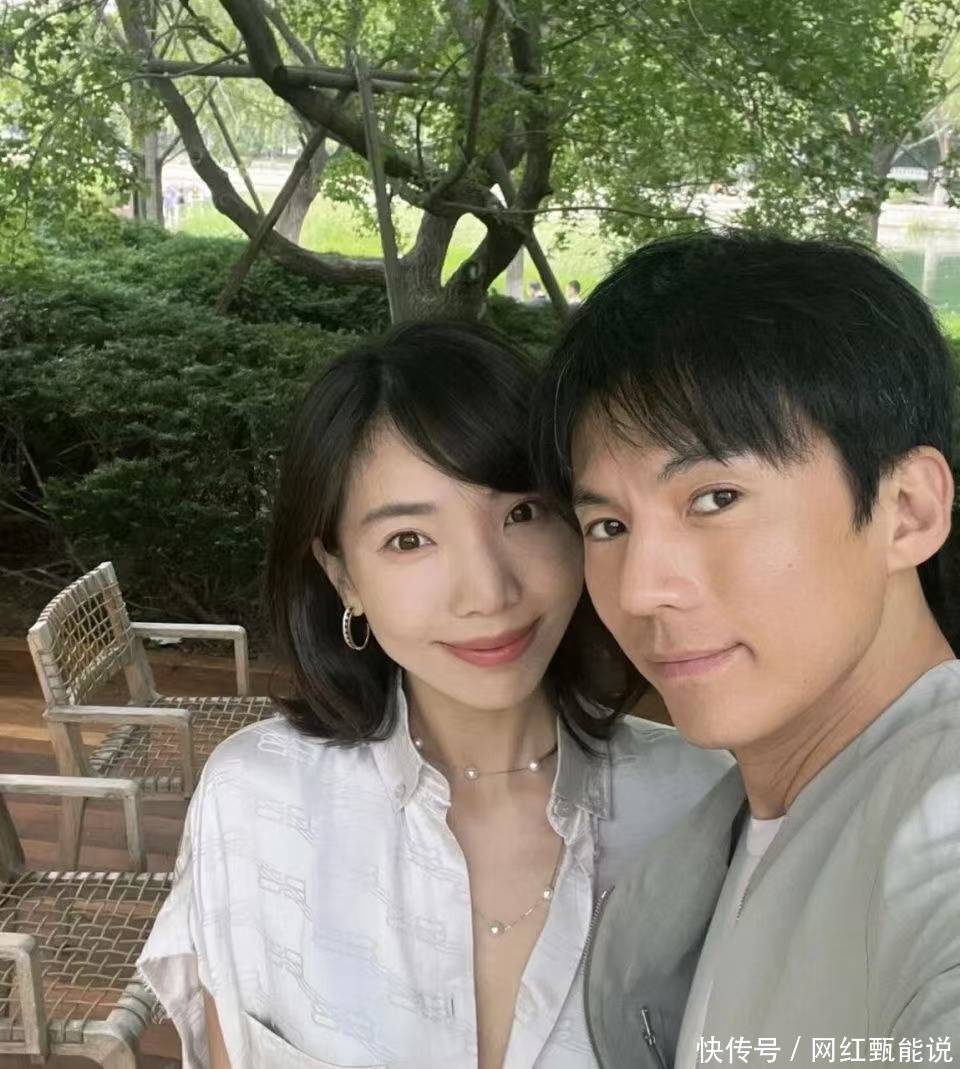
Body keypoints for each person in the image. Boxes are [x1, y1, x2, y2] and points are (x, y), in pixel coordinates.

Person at [137, 321, 732, 1069]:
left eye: (522, 513)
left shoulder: (701, 803)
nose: (488, 592)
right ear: (343, 575)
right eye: (409, 540)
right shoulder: (253, 803)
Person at [532, 231, 960, 1068]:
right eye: (608, 525)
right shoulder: (725, 833)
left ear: (907, 510)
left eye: (715, 498)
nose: (640, 589)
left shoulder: (937, 837)